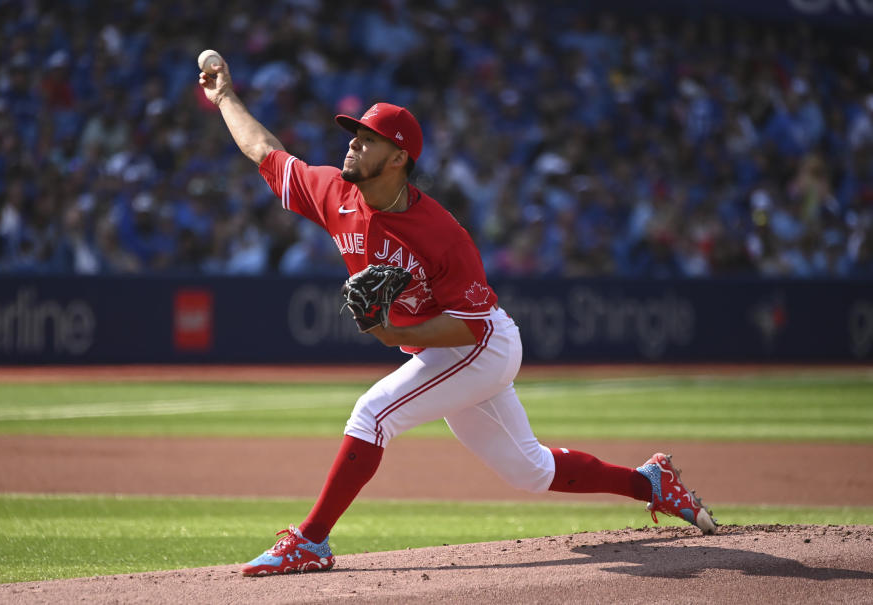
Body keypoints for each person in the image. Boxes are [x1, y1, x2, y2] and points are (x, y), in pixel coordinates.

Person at [198, 56, 716, 577]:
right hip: (446, 350)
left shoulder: (440, 232)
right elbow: (265, 150)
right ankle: (650, 482)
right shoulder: (335, 192)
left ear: (399, 157)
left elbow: (469, 326)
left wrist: (392, 331)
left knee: (373, 413)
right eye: (353, 134)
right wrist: (224, 98)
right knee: (529, 471)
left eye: (367, 138)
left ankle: (310, 541)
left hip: (482, 345)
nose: (352, 142)